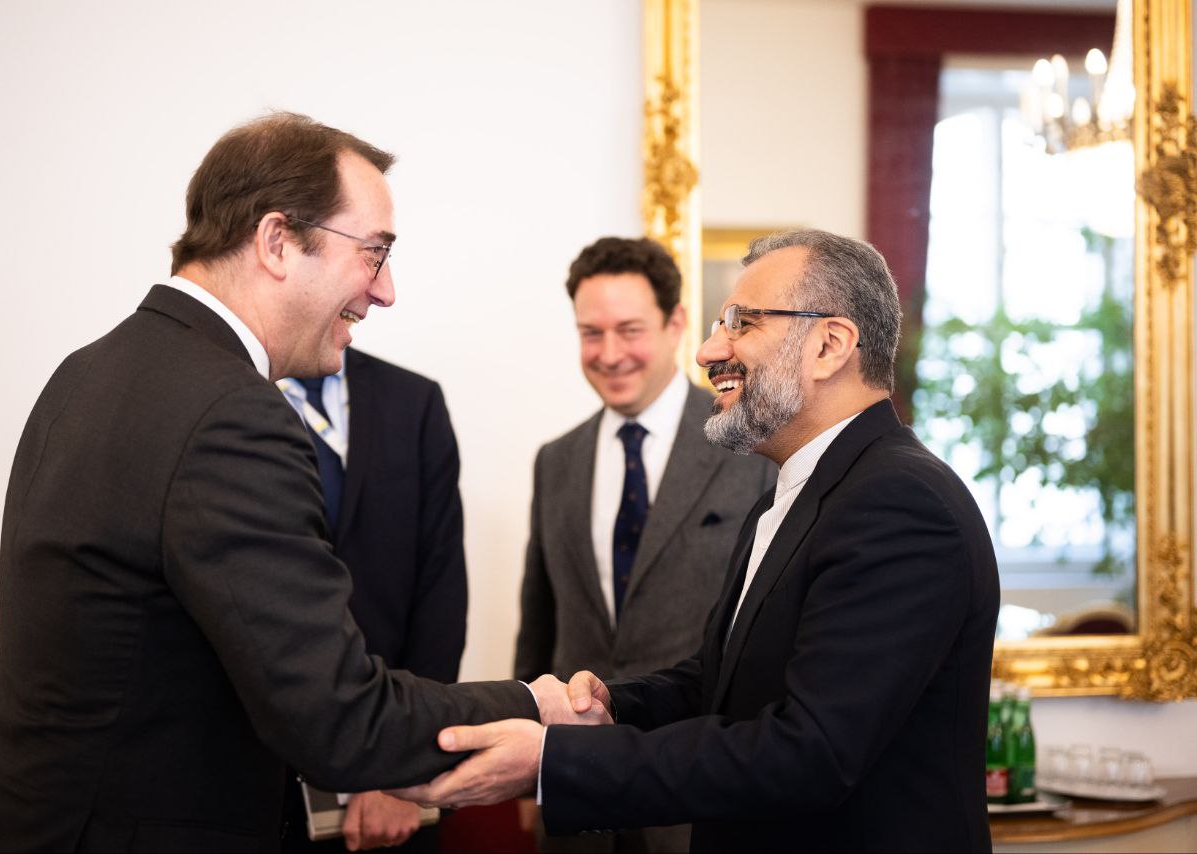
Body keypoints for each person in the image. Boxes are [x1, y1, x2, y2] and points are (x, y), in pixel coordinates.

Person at [0, 112, 598, 853]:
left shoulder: (88, 369)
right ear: (277, 242)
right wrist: (533, 706)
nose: (385, 291)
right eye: (375, 253)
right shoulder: (231, 411)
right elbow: (337, 715)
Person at [393, 229, 1001, 853]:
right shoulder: (797, 491)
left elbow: (809, 752)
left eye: (742, 323)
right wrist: (610, 706)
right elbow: (722, 681)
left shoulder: (900, 503)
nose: (710, 351)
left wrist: (555, 762)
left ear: (829, 345)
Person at [513, 237, 771, 852]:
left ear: (676, 324)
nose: (609, 354)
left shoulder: (751, 447)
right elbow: (539, 623)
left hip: (700, 792)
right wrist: (529, 769)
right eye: (591, 333)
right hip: (576, 793)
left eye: (629, 330)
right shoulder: (556, 460)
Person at [278, 348, 469, 852]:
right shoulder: (225, 394)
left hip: (396, 773)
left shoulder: (414, 400)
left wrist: (405, 766)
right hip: (257, 777)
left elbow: (441, 596)